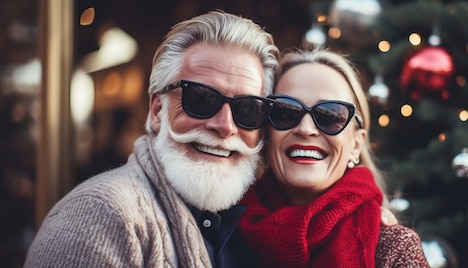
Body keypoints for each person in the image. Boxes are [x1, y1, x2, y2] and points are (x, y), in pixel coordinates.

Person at [24, 10, 278, 267]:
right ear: (157, 110)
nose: (225, 126)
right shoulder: (98, 217)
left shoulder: (254, 228)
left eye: (247, 108)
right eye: (201, 99)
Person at [237, 49, 430, 268]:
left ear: (356, 144)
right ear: (266, 133)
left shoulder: (392, 247)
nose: (306, 129)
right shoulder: (220, 230)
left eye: (330, 115)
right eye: (286, 111)